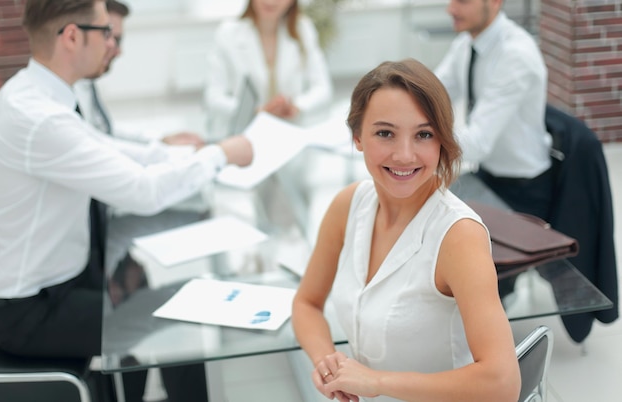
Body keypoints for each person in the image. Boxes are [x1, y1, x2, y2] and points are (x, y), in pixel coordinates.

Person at [0, 1, 253, 401]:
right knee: (185, 316)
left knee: (183, 305)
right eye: (105, 32)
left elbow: (117, 150)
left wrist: (205, 154)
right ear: (72, 36)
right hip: (31, 313)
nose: (111, 42)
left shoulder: (41, 97)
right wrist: (220, 156)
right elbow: (143, 191)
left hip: (63, 285)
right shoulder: (38, 117)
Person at [291, 59, 520, 402]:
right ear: (357, 137)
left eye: (424, 135)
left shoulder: (458, 236)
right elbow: (306, 303)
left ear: (441, 141)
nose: (404, 155)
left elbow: (502, 383)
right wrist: (329, 363)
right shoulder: (349, 205)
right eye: (385, 133)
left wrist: (378, 382)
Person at [434, 0, 554, 220]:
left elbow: (479, 142)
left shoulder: (516, 54)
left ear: (495, 2)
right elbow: (432, 93)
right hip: (487, 175)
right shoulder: (465, 44)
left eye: (462, 1)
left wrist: (420, 138)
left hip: (523, 191)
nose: (450, 9)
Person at [74, 0, 205, 150]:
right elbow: (98, 144)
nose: (116, 49)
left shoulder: (85, 82)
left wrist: (160, 140)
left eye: (117, 40)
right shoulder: (67, 93)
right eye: (108, 37)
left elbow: (104, 131)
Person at [203, 0, 333, 137]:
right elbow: (213, 98)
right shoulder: (228, 33)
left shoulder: (303, 29)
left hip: (289, 132)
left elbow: (323, 89)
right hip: (244, 135)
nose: (271, 1)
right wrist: (255, 111)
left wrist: (296, 106)